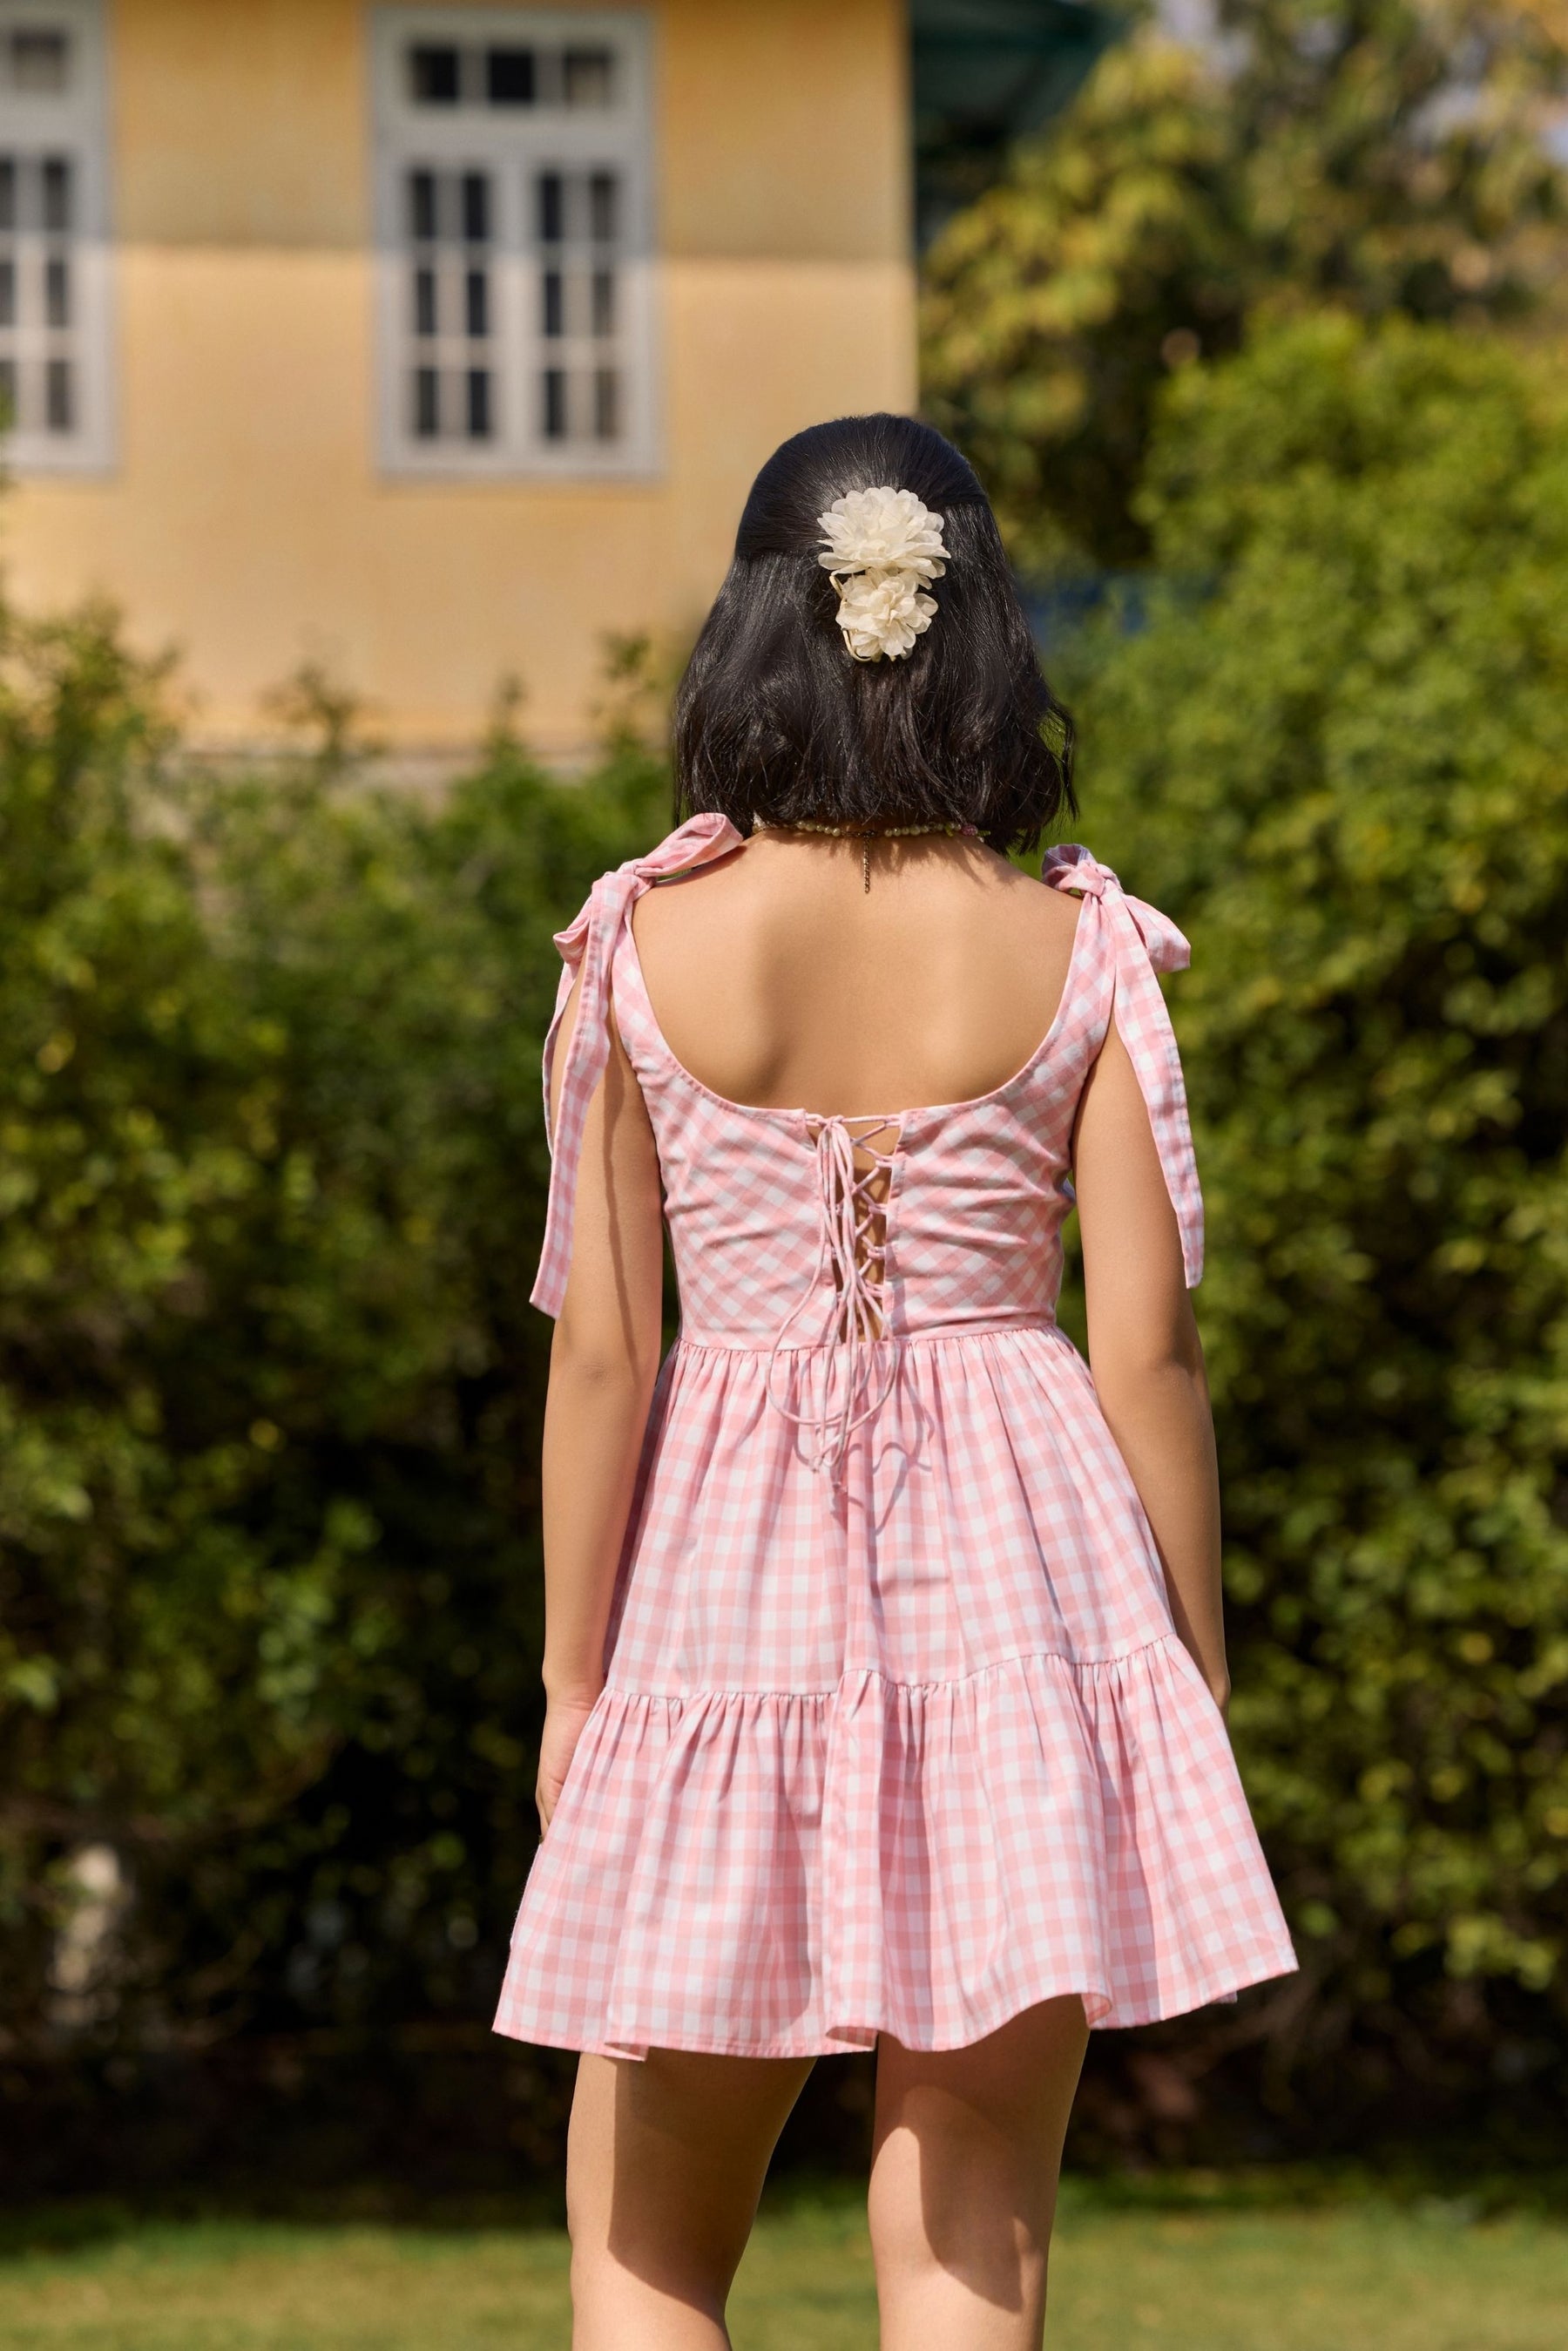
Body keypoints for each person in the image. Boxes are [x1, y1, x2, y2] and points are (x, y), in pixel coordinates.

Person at [493, 412, 1296, 2349]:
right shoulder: (1083, 941)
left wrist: (571, 1680)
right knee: (969, 2246)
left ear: (755, 627)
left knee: (647, 2248)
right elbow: (1147, 1346)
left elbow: (611, 1347)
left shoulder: (636, 943)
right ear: (983, 626)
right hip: (1027, 1591)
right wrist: (1189, 1671)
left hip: (712, 1602)